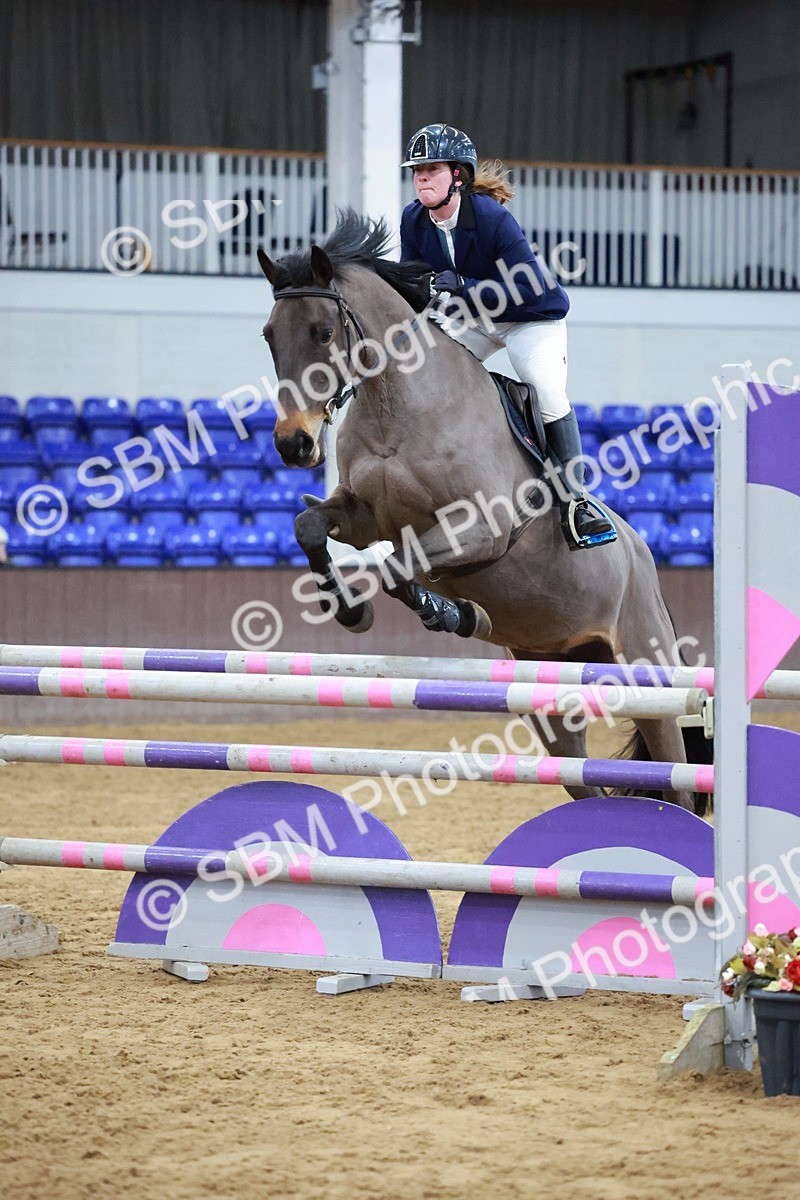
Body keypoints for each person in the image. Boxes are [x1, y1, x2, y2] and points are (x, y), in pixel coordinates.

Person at [400, 123, 615, 551]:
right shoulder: (413, 219)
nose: (421, 178)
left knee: (546, 391)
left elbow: (526, 287)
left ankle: (576, 503)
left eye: (431, 169)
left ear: (457, 175)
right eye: (417, 171)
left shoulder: (491, 217)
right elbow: (410, 284)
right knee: (424, 368)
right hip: (473, 317)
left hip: (528, 317)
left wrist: (463, 286)